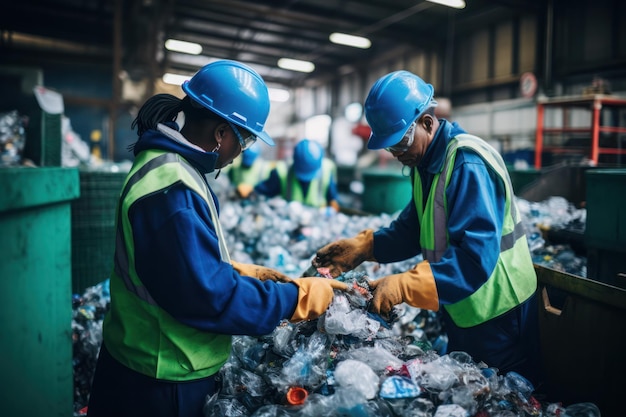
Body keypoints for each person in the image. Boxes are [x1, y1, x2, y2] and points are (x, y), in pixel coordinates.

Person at [86, 60, 347, 417]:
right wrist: (295, 298)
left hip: (149, 360)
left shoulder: (171, 167)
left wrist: (241, 272)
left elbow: (176, 265)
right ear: (222, 133)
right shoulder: (171, 188)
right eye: (246, 139)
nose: (242, 151)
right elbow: (206, 296)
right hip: (161, 375)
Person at [313, 70, 542, 386]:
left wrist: (405, 285)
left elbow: (473, 259)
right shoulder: (425, 165)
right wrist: (364, 247)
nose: (398, 154)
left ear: (427, 122)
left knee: (501, 397)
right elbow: (412, 230)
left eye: (402, 141)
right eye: (391, 146)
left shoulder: (466, 164)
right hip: (462, 305)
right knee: (466, 393)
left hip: (498, 312)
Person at [239, 138, 340, 210]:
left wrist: (331, 209)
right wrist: (250, 193)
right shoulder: (282, 172)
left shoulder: (327, 171)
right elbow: (262, 191)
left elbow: (332, 200)